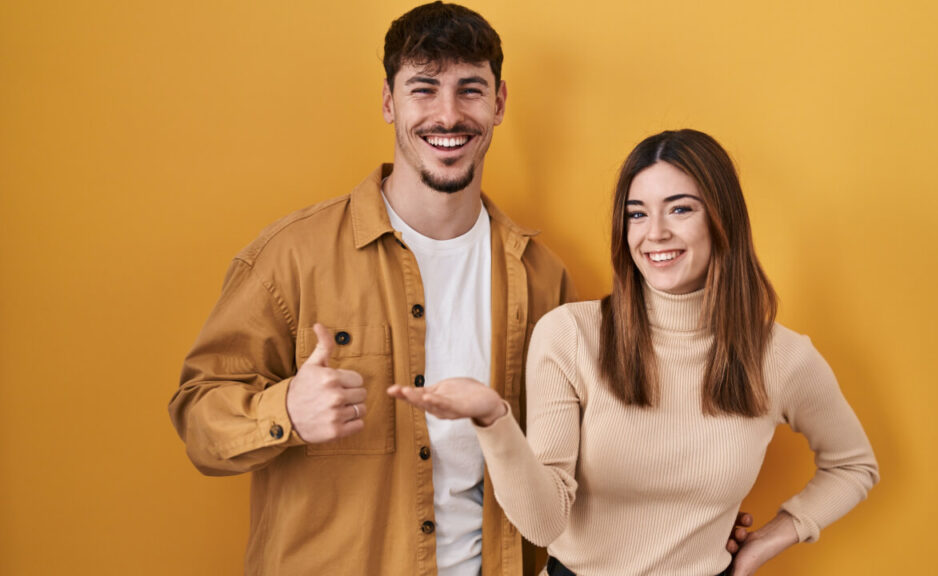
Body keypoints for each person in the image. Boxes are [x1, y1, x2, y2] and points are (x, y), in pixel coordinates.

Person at [168, 3, 575, 575]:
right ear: (389, 102)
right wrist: (285, 409)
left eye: (470, 90)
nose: (448, 114)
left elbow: (566, 465)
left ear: (499, 103)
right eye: (424, 89)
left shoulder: (541, 276)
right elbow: (197, 416)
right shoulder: (291, 256)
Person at [390, 129, 880, 576]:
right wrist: (493, 420)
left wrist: (767, 542)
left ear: (721, 218)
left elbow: (854, 466)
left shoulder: (782, 357)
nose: (655, 233)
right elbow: (543, 524)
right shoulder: (572, 335)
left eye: (681, 209)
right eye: (637, 213)